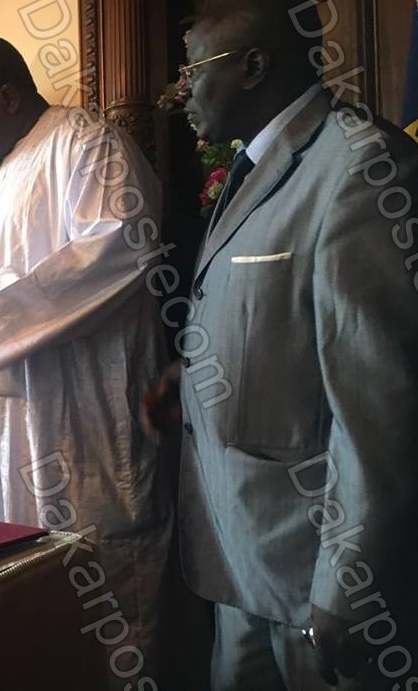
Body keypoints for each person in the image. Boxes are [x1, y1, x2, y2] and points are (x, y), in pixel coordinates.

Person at [145, 3, 418, 688]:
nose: (180, 90)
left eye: (193, 70)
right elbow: (281, 320)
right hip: (243, 556)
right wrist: (195, 371)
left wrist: (351, 585)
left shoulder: (360, 165)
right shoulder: (253, 165)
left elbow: (382, 403)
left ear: (254, 66)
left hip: (312, 568)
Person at [0, 35, 171, 684]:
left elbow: (120, 246)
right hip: (12, 424)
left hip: (80, 419)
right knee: (22, 609)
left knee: (100, 605)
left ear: (8, 96)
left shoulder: (87, 144)